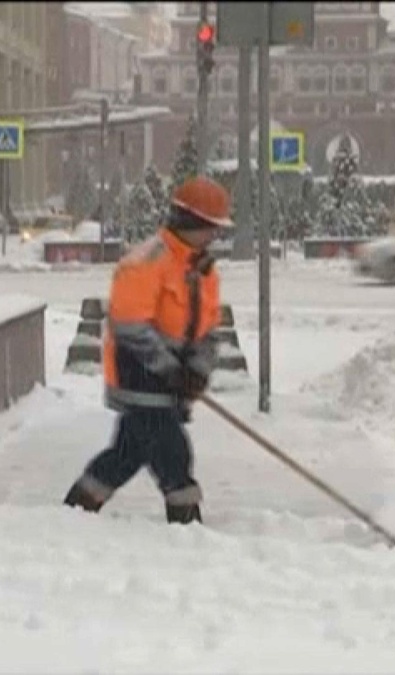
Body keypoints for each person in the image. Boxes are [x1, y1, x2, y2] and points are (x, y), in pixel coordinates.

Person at [62, 176, 233, 525]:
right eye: (211, 228)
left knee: (127, 454)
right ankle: (187, 527)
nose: (215, 236)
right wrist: (170, 370)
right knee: (173, 454)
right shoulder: (145, 261)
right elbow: (129, 326)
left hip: (173, 382)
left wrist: (198, 369)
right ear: (190, 223)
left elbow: (208, 330)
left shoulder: (203, 270)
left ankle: (76, 511)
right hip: (139, 377)